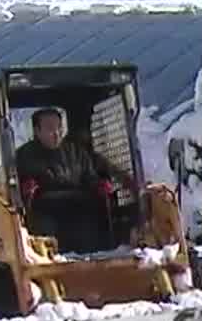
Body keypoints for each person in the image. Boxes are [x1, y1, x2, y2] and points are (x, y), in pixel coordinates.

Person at [14, 107, 131, 252]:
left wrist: (99, 185)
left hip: (78, 206)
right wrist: (26, 189)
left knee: (97, 221)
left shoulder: (75, 152)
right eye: (50, 129)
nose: (56, 133)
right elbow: (16, 186)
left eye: (59, 128)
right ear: (37, 131)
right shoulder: (24, 156)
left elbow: (90, 177)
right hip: (45, 209)